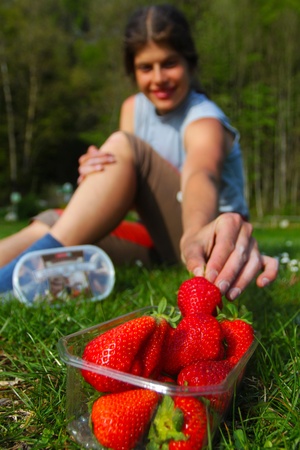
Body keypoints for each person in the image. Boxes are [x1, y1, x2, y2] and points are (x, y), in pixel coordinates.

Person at [0, 4, 278, 299]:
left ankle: (5, 285)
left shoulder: (204, 119)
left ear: (190, 64)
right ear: (132, 71)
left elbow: (201, 173)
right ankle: (18, 277)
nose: (158, 78)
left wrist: (196, 232)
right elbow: (132, 198)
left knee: (123, 146)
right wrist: (99, 175)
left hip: (206, 242)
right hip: (157, 238)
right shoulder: (133, 109)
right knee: (56, 221)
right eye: (146, 67)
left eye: (169, 63)